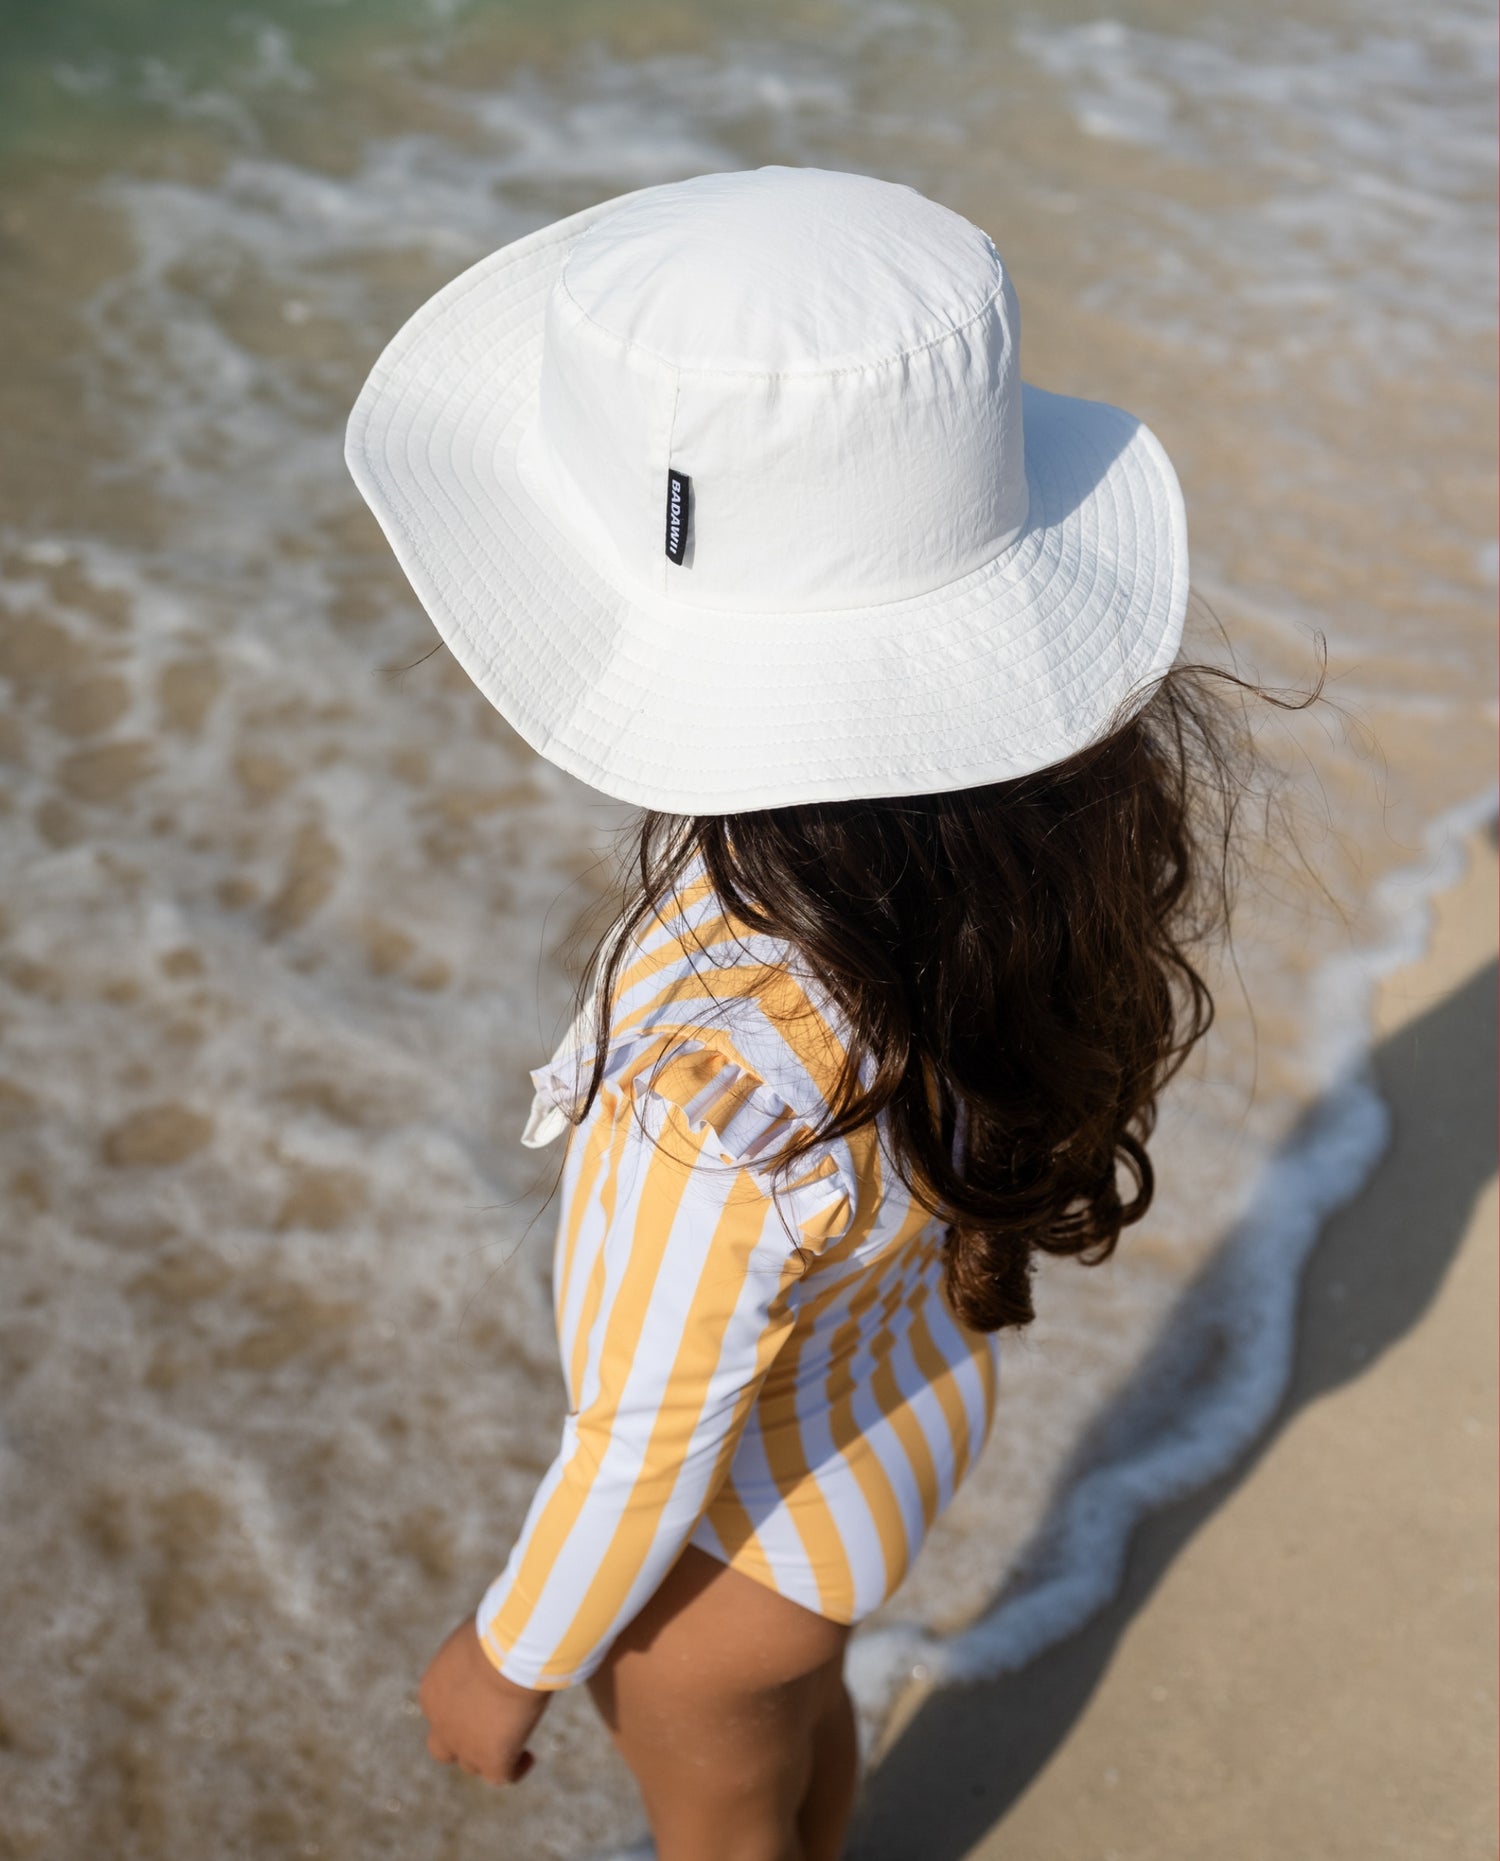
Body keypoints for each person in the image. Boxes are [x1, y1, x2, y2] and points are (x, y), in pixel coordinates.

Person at [345, 164, 1286, 1861]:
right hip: (896, 1431)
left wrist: (508, 1653)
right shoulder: (1005, 879)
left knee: (718, 1801)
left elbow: (646, 1436)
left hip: (728, 1560)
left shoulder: (708, 1088)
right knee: (800, 1751)